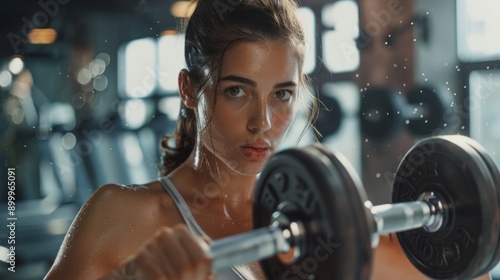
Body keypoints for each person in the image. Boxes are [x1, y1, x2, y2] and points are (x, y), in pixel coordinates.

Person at [44, 0, 493, 279]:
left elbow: (459, 263)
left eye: (282, 95)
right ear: (189, 90)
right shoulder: (123, 216)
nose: (263, 122)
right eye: (237, 91)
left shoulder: (326, 220)